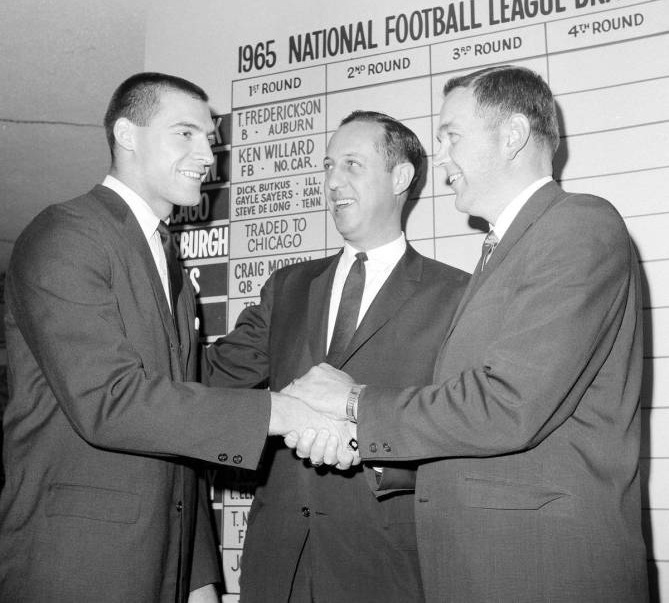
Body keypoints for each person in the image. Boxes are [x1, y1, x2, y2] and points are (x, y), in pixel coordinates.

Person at [285, 66, 649, 602]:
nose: (442, 155)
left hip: (545, 573)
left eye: (452, 135)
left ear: (513, 136)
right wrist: (368, 448)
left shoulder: (578, 224)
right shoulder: (502, 253)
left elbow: (508, 405)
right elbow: (482, 434)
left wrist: (355, 404)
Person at [0, 72, 355, 603]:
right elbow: (110, 403)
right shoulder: (66, 234)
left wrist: (198, 575)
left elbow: (177, 428)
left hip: (166, 564)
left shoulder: (166, 260)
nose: (207, 154)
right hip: (74, 562)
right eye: (185, 133)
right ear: (126, 135)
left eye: (209, 138)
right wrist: (281, 412)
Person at [202, 110, 469, 602]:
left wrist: (367, 449)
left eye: (351, 164)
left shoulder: (457, 296)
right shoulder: (287, 287)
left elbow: (464, 430)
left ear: (401, 176)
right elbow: (208, 380)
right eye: (327, 166)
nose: (332, 181)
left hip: (385, 572)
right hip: (276, 569)